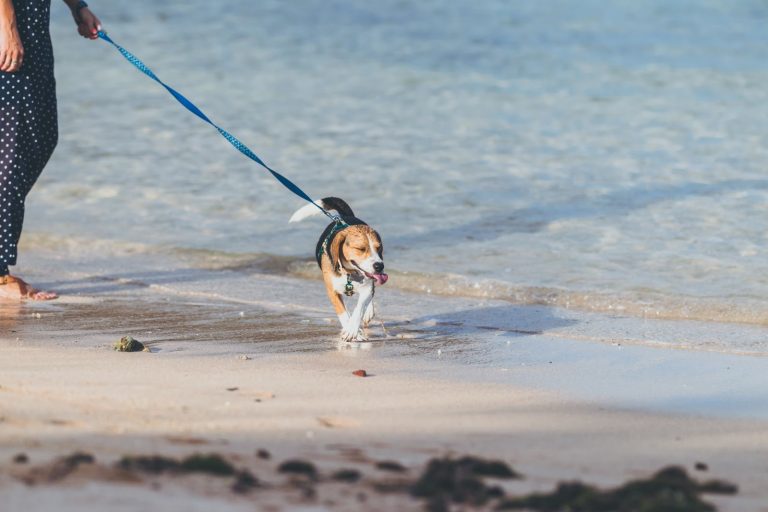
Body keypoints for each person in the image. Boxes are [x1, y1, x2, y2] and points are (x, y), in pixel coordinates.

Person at [0, 0, 100, 301]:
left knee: (43, 137)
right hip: (10, 28)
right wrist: (7, 29)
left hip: (34, 32)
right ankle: (1, 275)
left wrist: (77, 7)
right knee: (12, 155)